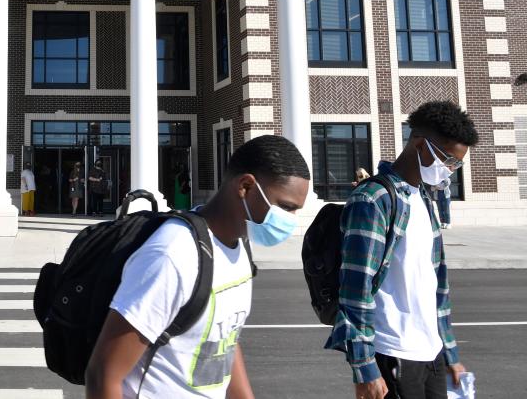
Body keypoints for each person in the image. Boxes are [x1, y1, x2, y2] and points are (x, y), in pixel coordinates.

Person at [85, 135, 310, 399]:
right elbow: (103, 375)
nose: (291, 220)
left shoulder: (238, 246)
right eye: (285, 207)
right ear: (246, 186)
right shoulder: (173, 253)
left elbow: (224, 339)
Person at [326, 101, 476, 399]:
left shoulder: (423, 199)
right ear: (421, 146)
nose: (450, 170)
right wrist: (365, 368)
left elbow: (436, 285)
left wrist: (450, 353)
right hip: (391, 351)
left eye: (456, 165)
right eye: (448, 160)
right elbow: (356, 290)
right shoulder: (373, 200)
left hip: (431, 350)